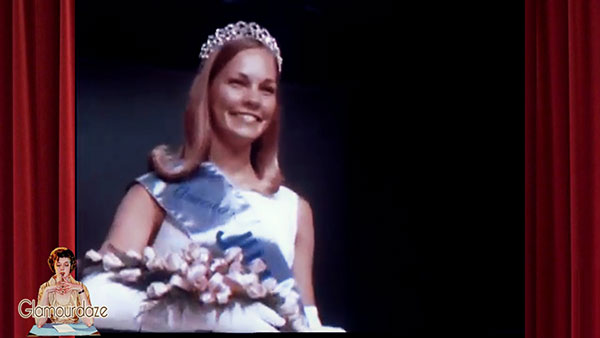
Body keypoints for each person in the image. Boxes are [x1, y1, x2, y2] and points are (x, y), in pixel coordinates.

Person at [82, 21, 343, 332]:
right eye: (238, 83)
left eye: (267, 89)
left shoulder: (295, 210)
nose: (253, 99)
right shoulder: (156, 193)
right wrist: (209, 316)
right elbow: (90, 302)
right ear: (209, 90)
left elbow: (304, 320)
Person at [36, 247, 94, 327]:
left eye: (66, 265)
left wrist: (80, 290)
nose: (62, 268)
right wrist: (47, 291)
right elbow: (39, 323)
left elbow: (89, 322)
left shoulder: (80, 287)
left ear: (71, 266)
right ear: (53, 266)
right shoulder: (45, 287)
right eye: (58, 265)